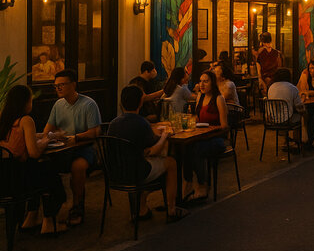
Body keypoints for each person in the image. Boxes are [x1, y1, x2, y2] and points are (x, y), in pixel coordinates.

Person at [108, 86, 188, 223]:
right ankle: (172, 209)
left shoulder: (113, 123)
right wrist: (164, 136)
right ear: (140, 102)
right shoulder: (141, 123)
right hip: (137, 172)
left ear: (121, 103)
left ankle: (141, 209)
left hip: (115, 172)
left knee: (146, 158)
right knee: (170, 162)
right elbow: (153, 150)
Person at [0, 85, 67, 235]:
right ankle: (49, 222)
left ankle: (31, 218)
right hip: (19, 180)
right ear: (24, 102)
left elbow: (23, 138)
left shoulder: (4, 119)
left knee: (40, 169)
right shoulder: (26, 120)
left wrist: (48, 136)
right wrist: (49, 138)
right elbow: (34, 152)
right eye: (30, 100)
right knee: (50, 173)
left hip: (4, 179)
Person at [41, 69, 101, 226]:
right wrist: (53, 136)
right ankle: (53, 206)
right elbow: (48, 131)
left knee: (78, 166)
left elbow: (95, 132)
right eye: (55, 86)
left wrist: (75, 137)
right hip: (62, 149)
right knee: (44, 165)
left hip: (84, 148)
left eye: (62, 85)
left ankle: (77, 206)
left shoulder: (88, 104)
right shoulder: (58, 105)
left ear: (73, 85)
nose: (58, 88)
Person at [183, 70, 228, 203]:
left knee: (196, 149)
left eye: (206, 81)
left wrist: (209, 130)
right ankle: (188, 183)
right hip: (201, 136)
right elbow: (197, 119)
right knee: (185, 148)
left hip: (217, 139)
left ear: (212, 83)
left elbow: (225, 126)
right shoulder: (200, 97)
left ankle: (203, 186)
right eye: (200, 81)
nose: (202, 84)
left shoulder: (219, 99)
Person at [266, 68, 305, 149]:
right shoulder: (292, 88)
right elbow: (299, 106)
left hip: (272, 120)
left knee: (285, 113)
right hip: (286, 121)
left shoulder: (271, 87)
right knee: (300, 115)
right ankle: (297, 141)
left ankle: (286, 141)